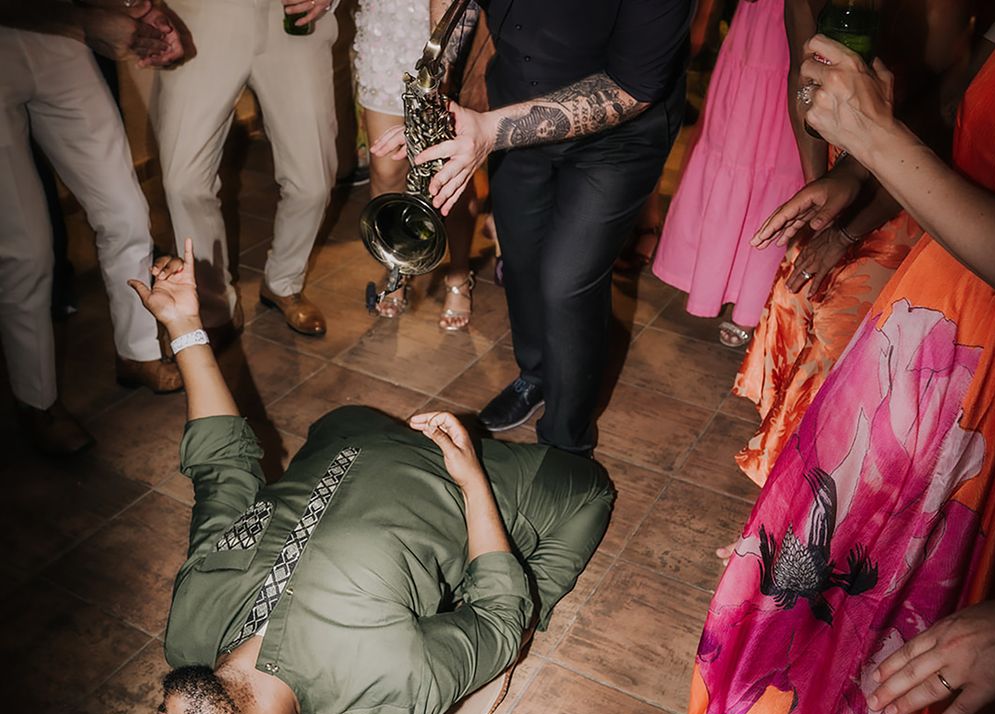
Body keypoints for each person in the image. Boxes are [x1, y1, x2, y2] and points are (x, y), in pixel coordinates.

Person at [130, 239, 612, 714]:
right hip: (484, 483)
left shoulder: (190, 630)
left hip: (351, 432)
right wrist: (472, 482)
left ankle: (467, 638)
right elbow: (498, 616)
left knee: (345, 420)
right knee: (587, 492)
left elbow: (223, 473)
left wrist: (185, 329)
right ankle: (489, 636)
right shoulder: (392, 687)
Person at [668, 31, 995, 714]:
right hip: (934, 293)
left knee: (904, 596)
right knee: (829, 551)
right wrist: (857, 179)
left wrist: (878, 144)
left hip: (981, 353)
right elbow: (957, 115)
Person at [372, 0, 696, 456]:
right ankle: (536, 375)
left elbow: (633, 87)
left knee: (566, 282)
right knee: (520, 257)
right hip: (512, 103)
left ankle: (567, 440)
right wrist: (438, 88)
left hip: (619, 140)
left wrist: (490, 131)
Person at [730, 0, 974, 484]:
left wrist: (845, 229)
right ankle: (785, 491)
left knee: (841, 350)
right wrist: (817, 192)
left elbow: (936, 120)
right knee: (798, 297)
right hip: (844, 172)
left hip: (913, 190)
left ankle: (812, 497)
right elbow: (801, 79)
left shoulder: (940, 10)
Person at [0, 0, 184, 455]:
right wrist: (86, 20)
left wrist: (136, 9)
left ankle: (137, 352)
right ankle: (36, 400)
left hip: (62, 40)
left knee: (125, 212)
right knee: (26, 249)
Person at [151, 0, 339, 339]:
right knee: (184, 182)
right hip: (202, 17)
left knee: (313, 182)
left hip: (294, 19)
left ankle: (284, 282)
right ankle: (213, 302)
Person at [651, 0, 807, 348]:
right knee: (736, 142)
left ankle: (753, 301)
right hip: (760, 22)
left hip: (807, 22)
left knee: (782, 156)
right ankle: (718, 282)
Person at [354, 0, 480, 328]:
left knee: (449, 171)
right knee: (385, 168)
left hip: (446, 28)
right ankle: (398, 266)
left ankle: (458, 272)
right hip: (386, 27)